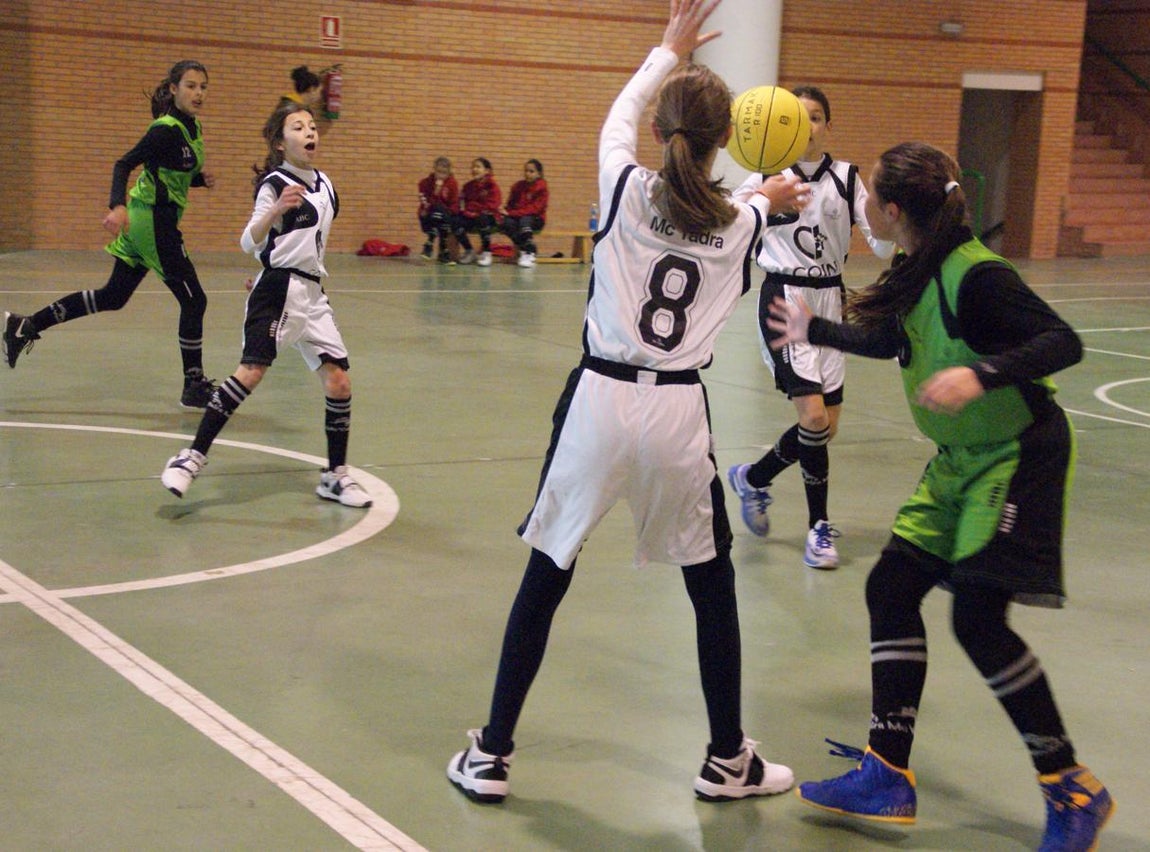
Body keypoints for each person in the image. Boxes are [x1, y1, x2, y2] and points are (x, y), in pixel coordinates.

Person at [446, 0, 810, 805]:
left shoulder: (623, 186)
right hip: (680, 414)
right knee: (710, 583)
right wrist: (771, 187)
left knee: (548, 569)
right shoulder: (745, 221)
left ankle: (493, 754)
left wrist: (664, 51)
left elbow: (618, 119)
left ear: (662, 133)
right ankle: (726, 759)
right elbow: (749, 206)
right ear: (723, 141)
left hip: (601, 401)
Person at [767, 141, 1113, 850]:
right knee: (892, 588)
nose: (862, 203)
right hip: (962, 460)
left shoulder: (978, 277)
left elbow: (1064, 342)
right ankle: (887, 773)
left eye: (869, 195)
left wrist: (981, 374)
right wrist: (815, 330)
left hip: (1018, 456)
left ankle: (1071, 787)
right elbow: (896, 336)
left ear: (892, 210)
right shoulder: (917, 265)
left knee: (978, 621)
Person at [160, 102, 371, 509]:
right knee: (251, 372)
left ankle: (334, 476)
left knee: (339, 383)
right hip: (278, 289)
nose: (310, 132)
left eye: (312, 126)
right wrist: (273, 214)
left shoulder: (326, 185)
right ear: (280, 142)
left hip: (312, 293)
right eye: (298, 127)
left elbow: (305, 243)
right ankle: (190, 458)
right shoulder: (274, 183)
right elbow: (249, 240)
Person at [727, 85, 894, 570]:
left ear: (827, 126)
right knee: (815, 419)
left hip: (830, 301)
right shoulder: (763, 177)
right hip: (784, 297)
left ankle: (754, 477)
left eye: (817, 117)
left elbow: (881, 246)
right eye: (798, 119)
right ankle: (819, 528)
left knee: (824, 426)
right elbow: (731, 227)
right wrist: (761, 202)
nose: (808, 126)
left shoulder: (847, 179)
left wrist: (895, 218)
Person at [3, 60, 217, 408]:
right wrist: (116, 206)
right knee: (195, 300)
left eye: (203, 87)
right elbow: (124, 164)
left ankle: (25, 325)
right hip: (151, 222)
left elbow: (166, 170)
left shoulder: (192, 127)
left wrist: (197, 180)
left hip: (151, 218)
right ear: (174, 89)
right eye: (190, 86)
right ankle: (193, 384)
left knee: (113, 296)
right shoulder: (164, 129)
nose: (198, 93)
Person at [453, 157, 502, 267]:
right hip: (471, 215)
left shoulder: (492, 186)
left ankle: (486, 252)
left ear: (487, 171)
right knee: (454, 221)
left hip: (489, 217)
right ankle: (469, 251)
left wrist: (475, 210)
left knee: (482, 218)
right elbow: (462, 203)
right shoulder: (468, 186)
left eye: (478, 167)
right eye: (473, 167)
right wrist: (466, 211)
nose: (474, 169)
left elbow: (493, 205)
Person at [502, 159, 549, 268]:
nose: (527, 174)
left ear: (539, 173)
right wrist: (505, 211)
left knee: (525, 220)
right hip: (519, 216)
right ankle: (526, 248)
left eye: (531, 171)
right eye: (526, 171)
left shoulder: (542, 188)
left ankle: (529, 253)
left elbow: (534, 209)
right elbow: (510, 205)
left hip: (536, 219)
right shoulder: (518, 186)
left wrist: (513, 213)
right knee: (505, 223)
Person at [418, 156, 460, 263]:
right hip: (429, 213)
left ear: (449, 172)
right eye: (439, 172)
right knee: (437, 209)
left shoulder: (453, 183)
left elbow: (454, 203)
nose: (441, 175)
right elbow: (426, 204)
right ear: (434, 169)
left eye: (444, 173)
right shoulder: (425, 183)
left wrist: (449, 213)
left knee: (442, 213)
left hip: (445, 215)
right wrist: (436, 192)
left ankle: (429, 244)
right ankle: (443, 248)